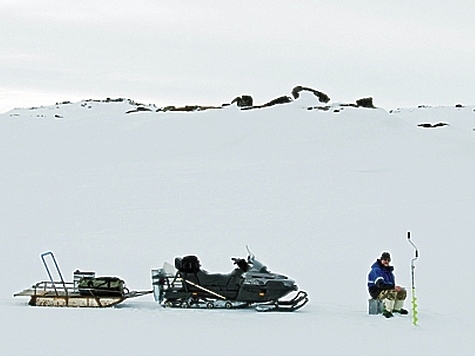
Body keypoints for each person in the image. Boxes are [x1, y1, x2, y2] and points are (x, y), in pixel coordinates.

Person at [367, 252, 408, 318]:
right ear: (381, 260)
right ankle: (387, 310)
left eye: (388, 260)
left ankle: (397, 308)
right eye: (385, 260)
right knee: (392, 292)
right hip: (377, 291)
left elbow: (392, 284)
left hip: (386, 290)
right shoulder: (376, 270)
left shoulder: (389, 272)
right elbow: (380, 284)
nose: (386, 261)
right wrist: (393, 287)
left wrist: (396, 288)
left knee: (402, 292)